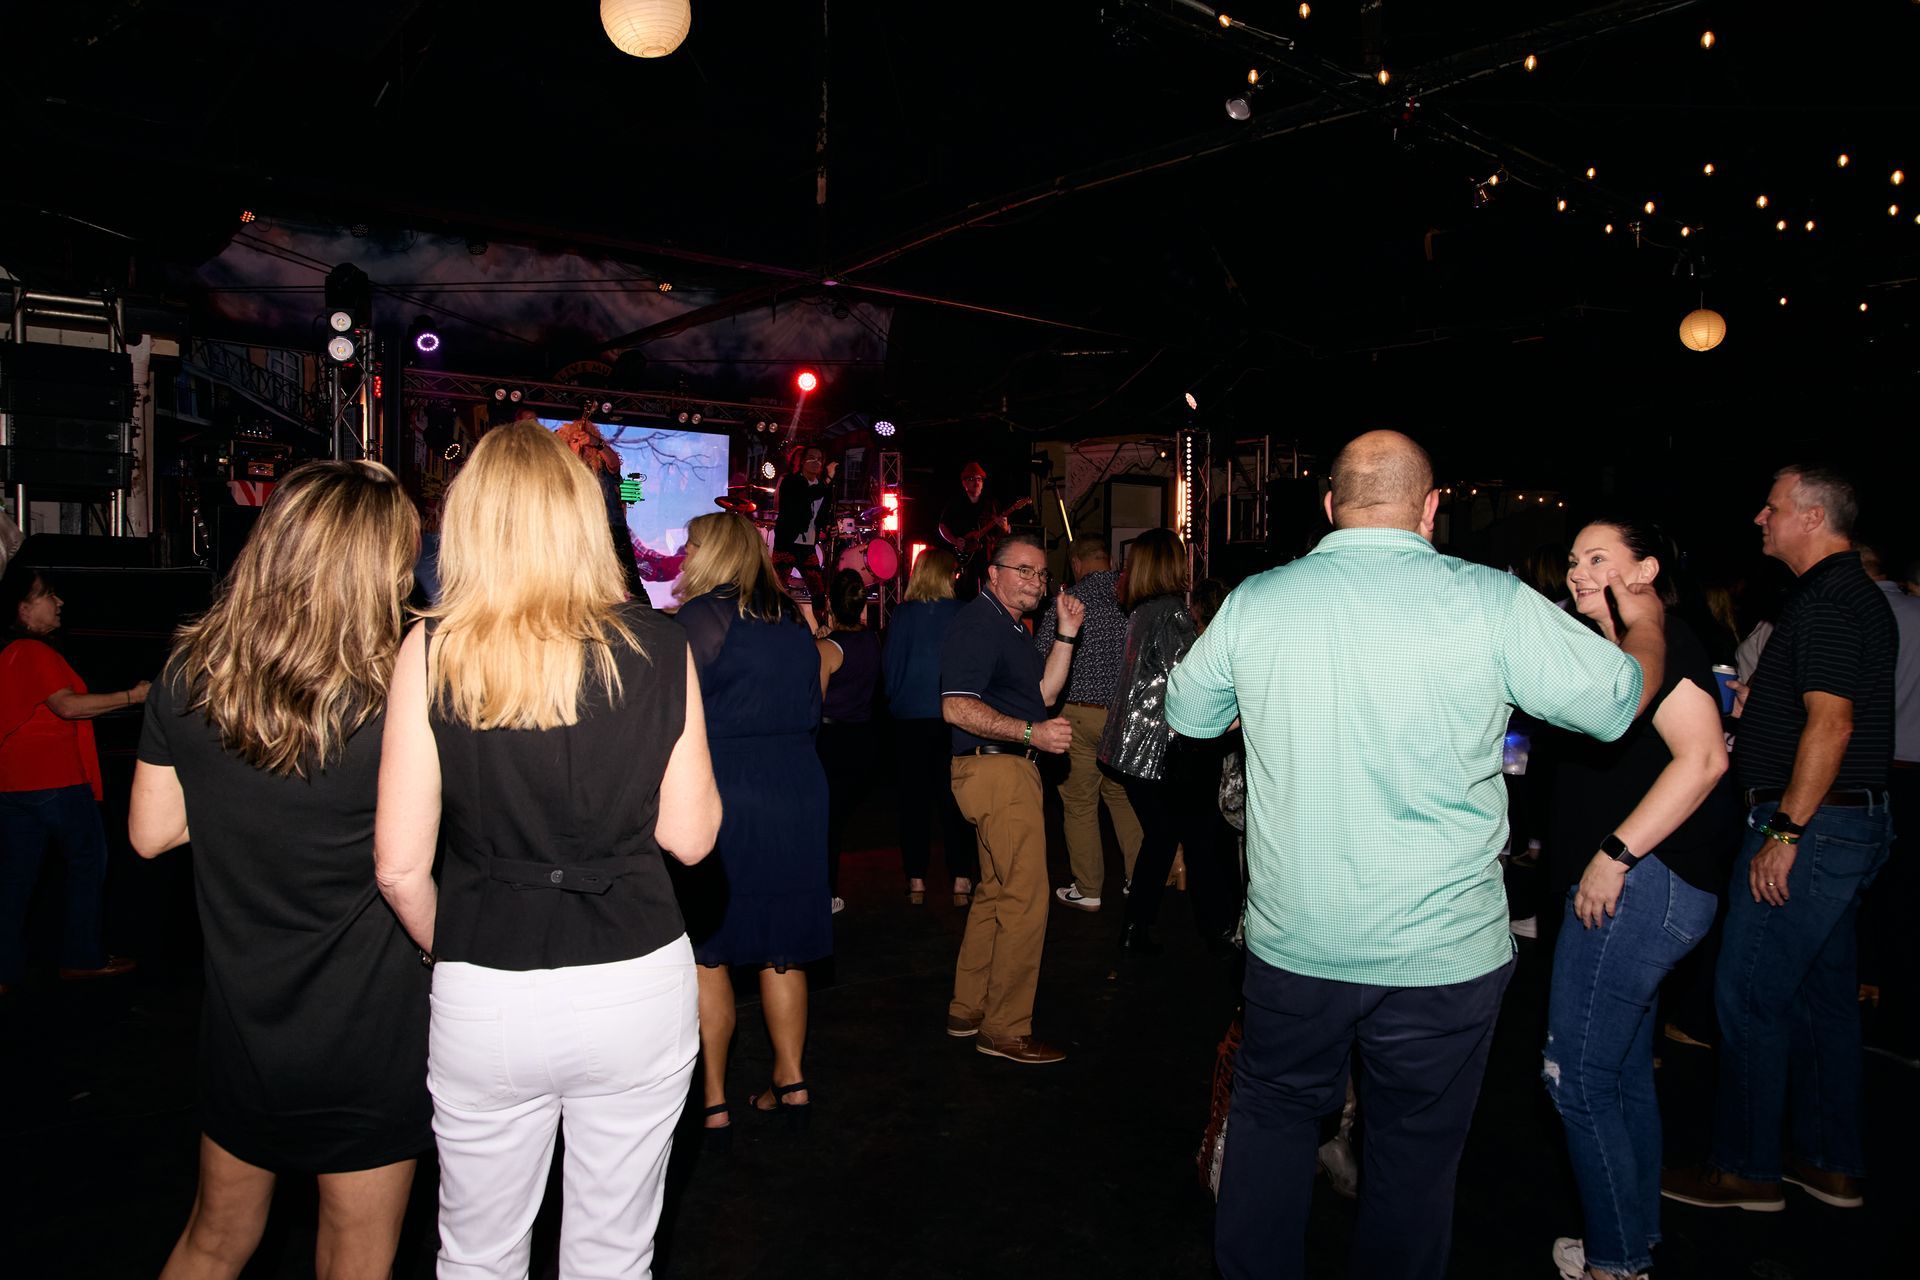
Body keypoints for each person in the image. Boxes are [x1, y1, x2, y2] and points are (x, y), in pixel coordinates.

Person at [1165, 431, 1664, 1280]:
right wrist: (1645, 625)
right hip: (1443, 953)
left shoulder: (1259, 601)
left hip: (1299, 942)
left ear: (1331, 505)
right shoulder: (1492, 600)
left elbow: (1189, 715)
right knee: (1414, 1157)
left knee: (1273, 1124)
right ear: (1432, 509)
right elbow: (1617, 706)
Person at [372, 422, 722, 1277]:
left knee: (478, 1256)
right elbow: (691, 836)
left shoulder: (432, 647)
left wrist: (458, 950)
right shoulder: (658, 645)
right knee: (614, 1254)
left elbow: (399, 869)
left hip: (486, 979)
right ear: (581, 517)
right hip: (633, 977)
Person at [126, 461, 429, 1280]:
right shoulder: (398, 696)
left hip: (246, 1020)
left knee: (215, 1239)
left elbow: (152, 834)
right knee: (356, 1259)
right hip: (369, 1029)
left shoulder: (190, 673)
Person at [1663, 465, 1896, 1215]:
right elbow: (1823, 710)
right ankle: (1830, 1163)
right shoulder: (1846, 595)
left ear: (1813, 516)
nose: (1759, 518)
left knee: (1749, 996)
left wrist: (1785, 831)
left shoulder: (1828, 599)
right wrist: (1761, 707)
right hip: (1843, 823)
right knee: (1823, 1000)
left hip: (1812, 827)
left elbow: (1833, 724)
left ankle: (1747, 1170)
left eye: (1772, 507)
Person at [1540, 518, 1739, 1280]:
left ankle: (1616, 1263)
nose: (1579, 572)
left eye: (1600, 558)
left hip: (1642, 885)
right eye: (1574, 560)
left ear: (1647, 571)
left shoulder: (1666, 642)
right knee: (1620, 1074)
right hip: (1639, 886)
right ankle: (1631, 1238)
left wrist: (1616, 855)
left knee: (1575, 1076)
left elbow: (1705, 760)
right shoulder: (1619, 650)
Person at [671, 510, 832, 1147]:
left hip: (726, 787)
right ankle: (791, 1081)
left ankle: (712, 1099)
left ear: (713, 553)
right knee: (781, 943)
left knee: (708, 947)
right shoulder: (790, 618)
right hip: (796, 789)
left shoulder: (697, 619)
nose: (683, 555)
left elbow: (672, 717)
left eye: (690, 545)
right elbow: (814, 705)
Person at [940, 532, 1082, 1064]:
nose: (1035, 581)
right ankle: (1004, 1029)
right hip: (997, 770)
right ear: (993, 574)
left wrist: (1066, 634)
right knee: (1026, 899)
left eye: (1041, 573)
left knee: (996, 894)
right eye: (1023, 570)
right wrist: (1030, 734)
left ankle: (968, 1008)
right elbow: (956, 707)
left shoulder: (1010, 628)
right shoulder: (979, 622)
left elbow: (1043, 695)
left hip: (1001, 770)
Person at [1, 561, 147, 996]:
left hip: (12, 783)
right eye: (48, 594)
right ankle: (82, 958)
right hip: (54, 781)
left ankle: (4, 969)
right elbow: (67, 707)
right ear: (23, 609)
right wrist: (135, 695)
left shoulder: (9, 653)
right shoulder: (35, 653)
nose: (59, 601)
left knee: (15, 879)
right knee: (87, 863)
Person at [1098, 529, 1215, 955]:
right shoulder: (1170, 613)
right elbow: (1189, 678)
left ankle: (1137, 928)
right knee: (1185, 837)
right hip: (1155, 751)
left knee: (1162, 836)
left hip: (1129, 751)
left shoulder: (1142, 611)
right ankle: (1204, 928)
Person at [1034, 536, 1142, 913]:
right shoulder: (1130, 599)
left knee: (1080, 803)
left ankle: (1089, 888)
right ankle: (1138, 879)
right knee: (1121, 797)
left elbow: (1041, 657)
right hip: (1120, 716)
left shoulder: (1067, 602)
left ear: (1076, 563)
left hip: (1076, 715)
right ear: (1109, 559)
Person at [883, 546, 978, 906]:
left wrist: (895, 701)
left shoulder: (903, 614)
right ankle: (961, 879)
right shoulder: (964, 612)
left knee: (914, 802)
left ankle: (917, 880)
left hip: (910, 719)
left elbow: (891, 668)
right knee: (955, 800)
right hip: (953, 718)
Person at [817, 568, 881, 911]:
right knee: (834, 821)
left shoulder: (827, 648)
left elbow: (813, 703)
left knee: (826, 823)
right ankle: (826, 890)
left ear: (830, 604)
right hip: (863, 740)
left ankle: (826, 893)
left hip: (833, 743)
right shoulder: (872, 640)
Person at [554, 414, 648, 603]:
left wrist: (596, 443)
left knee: (630, 583)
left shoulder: (603, 467)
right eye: (573, 441)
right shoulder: (564, 472)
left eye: (582, 439)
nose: (579, 444)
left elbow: (614, 463)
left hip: (613, 530)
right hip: (581, 534)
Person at [771, 445, 837, 608]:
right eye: (811, 458)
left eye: (819, 459)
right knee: (776, 591)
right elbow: (807, 495)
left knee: (819, 593)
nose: (816, 462)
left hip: (808, 547)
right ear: (802, 461)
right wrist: (828, 479)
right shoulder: (791, 481)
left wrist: (828, 527)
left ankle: (821, 622)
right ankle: (770, 619)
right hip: (787, 544)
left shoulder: (824, 487)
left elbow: (822, 516)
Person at [938, 462, 1009, 594]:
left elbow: (1000, 535)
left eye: (979, 479)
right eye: (971, 479)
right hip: (963, 559)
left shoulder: (992, 504)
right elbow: (942, 526)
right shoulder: (955, 503)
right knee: (963, 592)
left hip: (986, 558)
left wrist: (1004, 529)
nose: (976, 483)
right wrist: (955, 541)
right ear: (964, 483)